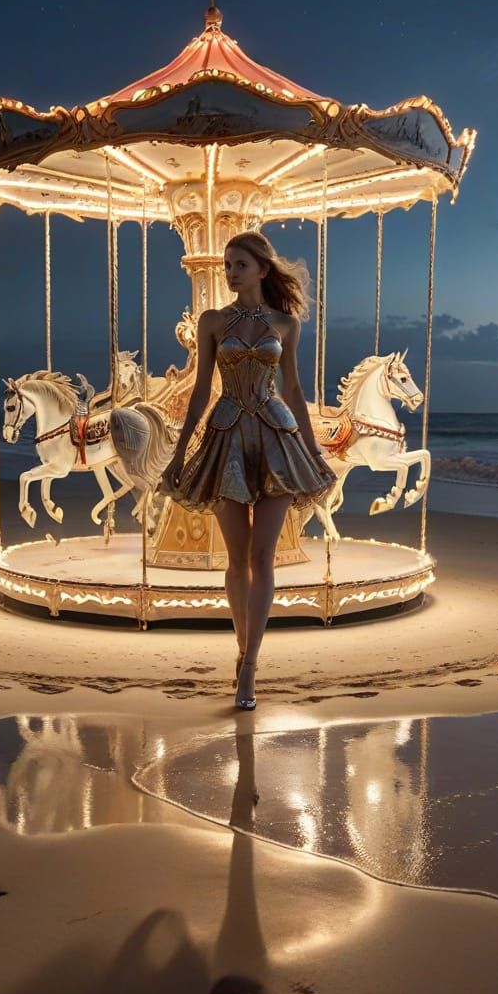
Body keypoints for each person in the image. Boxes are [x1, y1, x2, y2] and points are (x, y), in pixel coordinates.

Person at [158, 231, 337, 711]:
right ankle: (242, 652)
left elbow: (295, 390)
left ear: (262, 268)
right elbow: (200, 391)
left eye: (238, 264)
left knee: (263, 559)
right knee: (237, 561)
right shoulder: (213, 322)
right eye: (226, 265)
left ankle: (250, 669)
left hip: (278, 441)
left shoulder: (287, 322)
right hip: (227, 439)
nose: (229, 272)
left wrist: (315, 451)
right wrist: (178, 456)